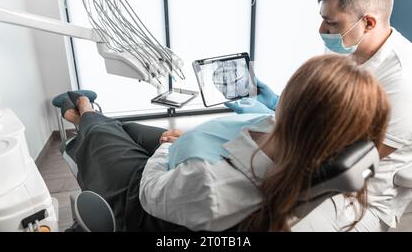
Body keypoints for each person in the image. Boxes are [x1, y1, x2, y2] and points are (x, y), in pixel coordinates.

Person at [62, 54, 390, 232]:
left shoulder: (212, 189)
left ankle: (83, 112)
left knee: (106, 137)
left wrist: (167, 144)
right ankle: (87, 120)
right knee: (131, 127)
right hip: (191, 162)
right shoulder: (323, 172)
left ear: (295, 111)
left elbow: (151, 192)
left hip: (149, 200)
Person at [227, 0, 412, 231]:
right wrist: (280, 104)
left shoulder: (402, 78)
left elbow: (352, 161)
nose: (322, 31)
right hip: (321, 168)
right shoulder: (350, 49)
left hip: (359, 199)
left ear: (368, 23)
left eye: (331, 23)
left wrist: (254, 150)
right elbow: (326, 119)